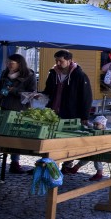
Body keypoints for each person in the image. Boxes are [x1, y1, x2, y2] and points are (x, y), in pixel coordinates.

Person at [40, 50, 102, 180]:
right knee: (51, 140)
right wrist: (40, 94)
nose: (58, 63)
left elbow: (86, 97)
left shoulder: (79, 75)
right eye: (56, 60)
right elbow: (48, 90)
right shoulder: (53, 73)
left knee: (68, 141)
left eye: (60, 61)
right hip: (53, 112)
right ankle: (47, 165)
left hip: (71, 113)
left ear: (69, 61)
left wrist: (84, 116)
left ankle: (66, 165)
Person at [0, 53, 36, 174]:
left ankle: (15, 162)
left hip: (19, 109)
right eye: (8, 62)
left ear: (19, 64)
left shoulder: (29, 75)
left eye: (11, 63)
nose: (8, 65)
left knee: (15, 136)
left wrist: (15, 91)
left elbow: (32, 93)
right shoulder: (4, 73)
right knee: (0, 134)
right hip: (3, 107)